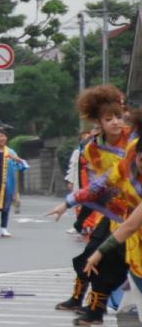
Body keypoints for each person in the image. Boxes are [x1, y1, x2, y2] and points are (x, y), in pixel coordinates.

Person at [50, 85, 130, 311]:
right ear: (99, 122)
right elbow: (99, 186)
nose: (116, 122)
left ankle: (96, 307)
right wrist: (68, 203)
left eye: (118, 116)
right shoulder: (92, 150)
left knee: (114, 262)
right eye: (109, 118)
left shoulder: (134, 138)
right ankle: (79, 299)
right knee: (90, 254)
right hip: (115, 211)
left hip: (135, 210)